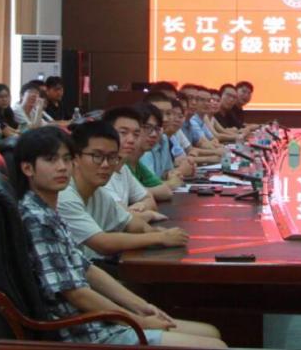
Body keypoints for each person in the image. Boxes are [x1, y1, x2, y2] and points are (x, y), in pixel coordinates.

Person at [14, 126, 225, 348]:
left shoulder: (48, 210)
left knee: (212, 332)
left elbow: (87, 269)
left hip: (98, 322)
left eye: (66, 159)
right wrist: (138, 321)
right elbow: (76, 293)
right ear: (27, 168)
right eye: (51, 160)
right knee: (215, 346)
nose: (62, 167)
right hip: (80, 332)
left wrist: (142, 306)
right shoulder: (36, 218)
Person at [56, 120, 188, 261]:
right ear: (75, 158)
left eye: (112, 157)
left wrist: (154, 231)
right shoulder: (64, 196)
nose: (106, 164)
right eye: (97, 156)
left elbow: (130, 223)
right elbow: (103, 243)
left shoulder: (98, 193)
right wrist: (159, 238)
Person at [100, 107, 162, 220]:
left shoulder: (123, 169)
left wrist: (141, 206)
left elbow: (150, 200)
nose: (131, 140)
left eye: (136, 134)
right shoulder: (100, 170)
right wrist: (149, 215)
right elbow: (119, 217)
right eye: (123, 133)